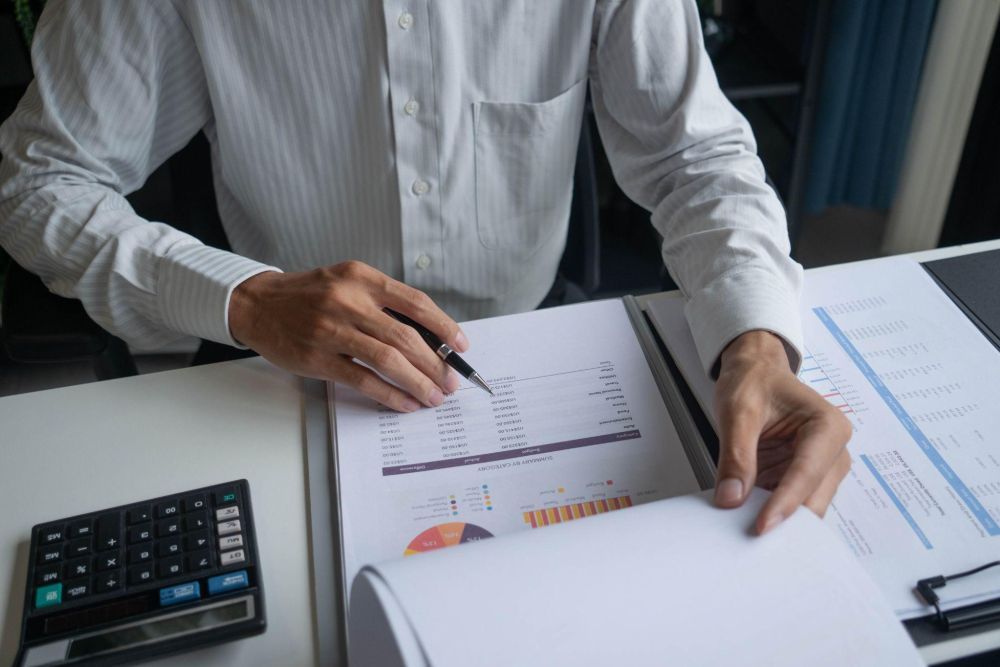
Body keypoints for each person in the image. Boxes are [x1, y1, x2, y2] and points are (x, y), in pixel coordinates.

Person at [0, 1, 850, 534]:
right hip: (275, 377)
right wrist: (250, 300)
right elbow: (37, 182)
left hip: (523, 352)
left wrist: (755, 345)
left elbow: (693, 158)